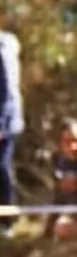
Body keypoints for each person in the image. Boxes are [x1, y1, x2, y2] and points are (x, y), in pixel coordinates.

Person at [0, 20, 24, 237]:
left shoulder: (3, 48)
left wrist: (1, 125)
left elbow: (7, 91)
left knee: (2, 168)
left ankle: (8, 222)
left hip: (5, 122)